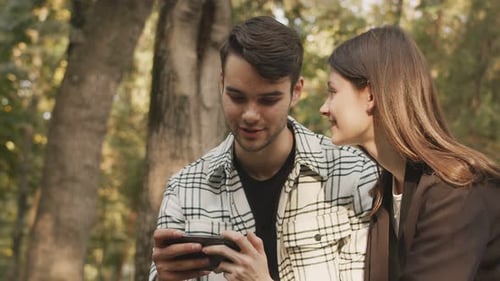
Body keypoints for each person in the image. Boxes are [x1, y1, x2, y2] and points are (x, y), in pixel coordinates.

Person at [149, 16, 379, 281]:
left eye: (268, 100)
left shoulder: (355, 175)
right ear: (221, 83)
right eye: (237, 97)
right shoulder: (183, 189)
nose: (250, 114)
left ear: (296, 91)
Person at [319, 25, 500, 281]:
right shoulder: (387, 190)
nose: (324, 108)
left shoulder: (455, 192)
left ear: (370, 95)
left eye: (333, 92)